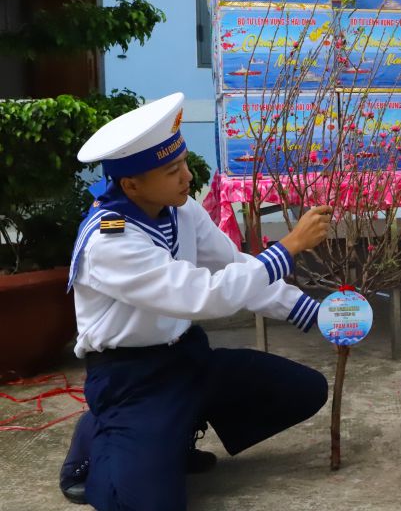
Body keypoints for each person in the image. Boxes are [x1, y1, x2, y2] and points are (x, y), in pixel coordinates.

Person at [59, 93, 333, 509]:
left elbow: (233, 266)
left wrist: (313, 313)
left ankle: (173, 431)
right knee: (148, 504)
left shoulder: (181, 211)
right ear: (132, 184)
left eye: (184, 162)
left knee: (305, 390)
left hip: (187, 358)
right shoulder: (109, 241)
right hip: (131, 379)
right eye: (172, 171)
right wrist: (289, 247)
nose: (187, 176)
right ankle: (97, 434)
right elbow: (203, 296)